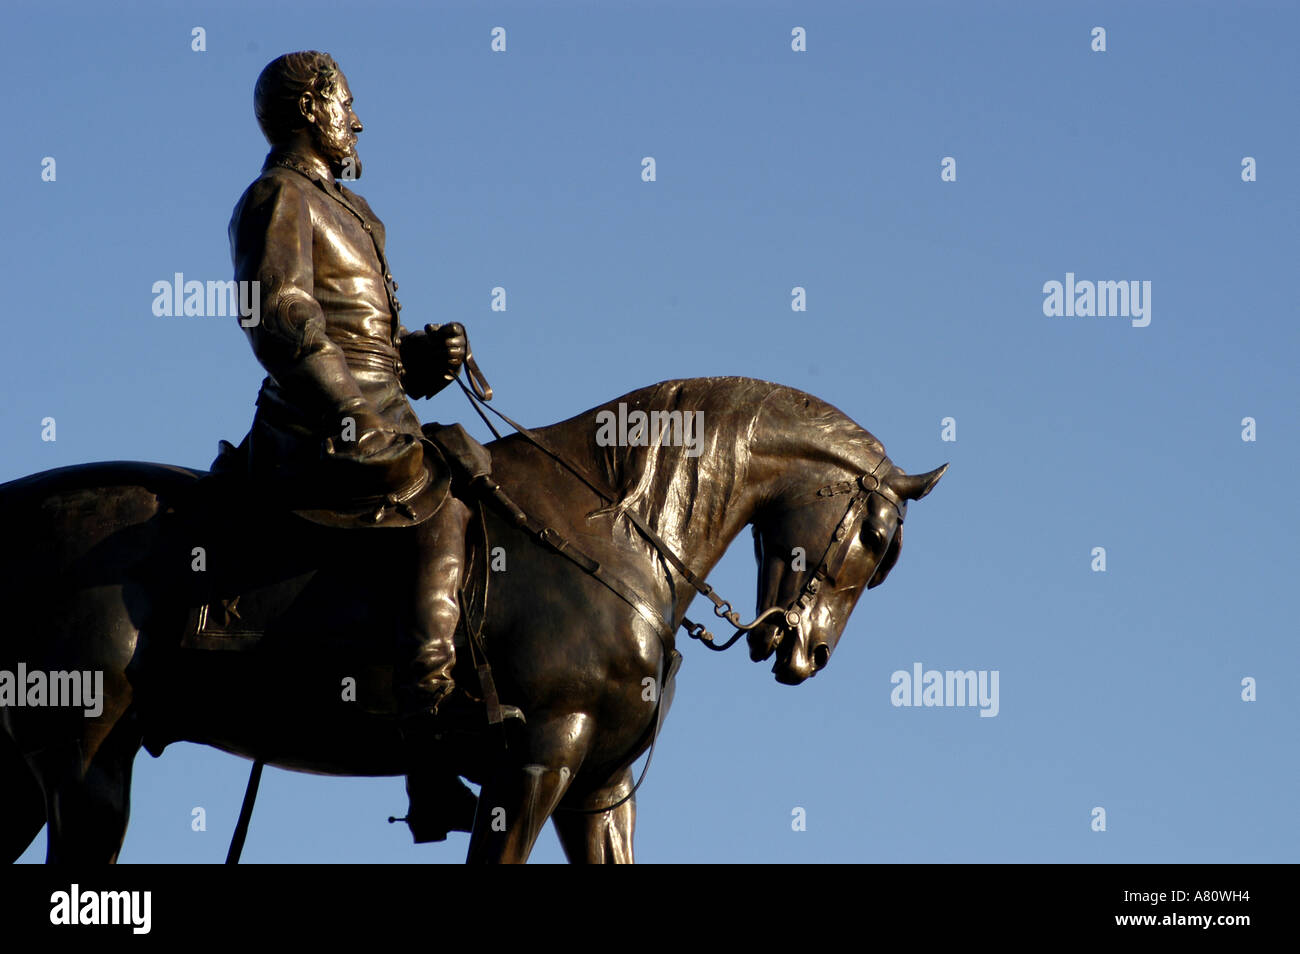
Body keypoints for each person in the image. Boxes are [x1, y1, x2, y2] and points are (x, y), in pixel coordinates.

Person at [227, 51, 482, 837]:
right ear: (310, 109)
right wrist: (349, 411)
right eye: (346, 103)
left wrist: (419, 360)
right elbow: (280, 317)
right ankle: (429, 739)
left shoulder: (359, 214)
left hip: (378, 409)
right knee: (442, 493)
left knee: (480, 468)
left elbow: (373, 346)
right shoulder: (276, 197)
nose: (358, 120)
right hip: (314, 424)